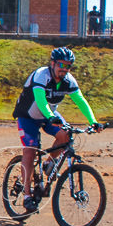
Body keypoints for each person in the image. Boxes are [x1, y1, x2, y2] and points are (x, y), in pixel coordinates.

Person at [12, 47, 103, 212]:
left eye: (68, 66)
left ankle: (48, 162)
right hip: (28, 117)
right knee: (30, 151)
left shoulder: (68, 80)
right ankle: (26, 195)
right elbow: (40, 100)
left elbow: (80, 100)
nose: (64, 69)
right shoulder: (41, 75)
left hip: (49, 115)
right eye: (61, 64)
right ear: (52, 63)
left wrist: (93, 121)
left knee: (66, 136)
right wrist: (50, 116)